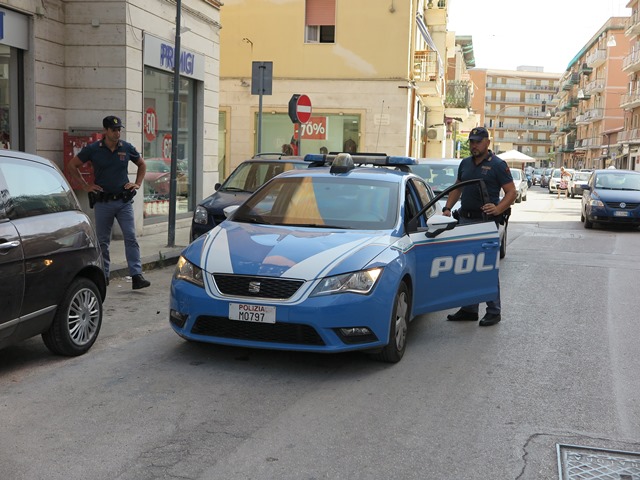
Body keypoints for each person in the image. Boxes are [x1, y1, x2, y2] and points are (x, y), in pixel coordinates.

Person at [441, 126, 517, 326]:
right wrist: (448, 208)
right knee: (466, 266)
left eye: (478, 142)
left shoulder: (498, 165)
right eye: (471, 142)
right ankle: (469, 309)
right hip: (465, 221)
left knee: (486, 267)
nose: (474, 145)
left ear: (487, 143)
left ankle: (493, 311)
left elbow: (511, 192)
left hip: (485, 222)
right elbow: (457, 188)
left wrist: (499, 208)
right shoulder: (465, 163)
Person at [67, 115, 151, 290]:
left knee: (131, 237)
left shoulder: (126, 148)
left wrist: (137, 183)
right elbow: (72, 165)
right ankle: (104, 276)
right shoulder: (93, 149)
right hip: (103, 201)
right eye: (114, 130)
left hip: (123, 201)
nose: (117, 132)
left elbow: (142, 165)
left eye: (119, 129)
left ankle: (136, 276)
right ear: (105, 131)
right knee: (103, 241)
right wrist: (85, 186)